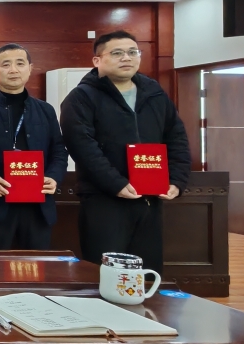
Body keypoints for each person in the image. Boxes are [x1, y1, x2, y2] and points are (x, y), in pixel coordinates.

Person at [60, 29, 190, 273]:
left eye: (133, 52)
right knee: (105, 271)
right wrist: (116, 184)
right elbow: (82, 147)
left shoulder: (154, 93)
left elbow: (177, 137)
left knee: (147, 271)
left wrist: (177, 179)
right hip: (104, 199)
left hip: (150, 198)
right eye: (117, 53)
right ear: (97, 60)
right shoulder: (81, 97)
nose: (127, 58)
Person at [0, 44, 68, 249]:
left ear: (30, 68)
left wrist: (54, 177)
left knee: (37, 265)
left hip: (37, 206)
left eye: (20, 63)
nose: (13, 70)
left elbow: (59, 151)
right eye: (6, 64)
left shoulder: (45, 110)